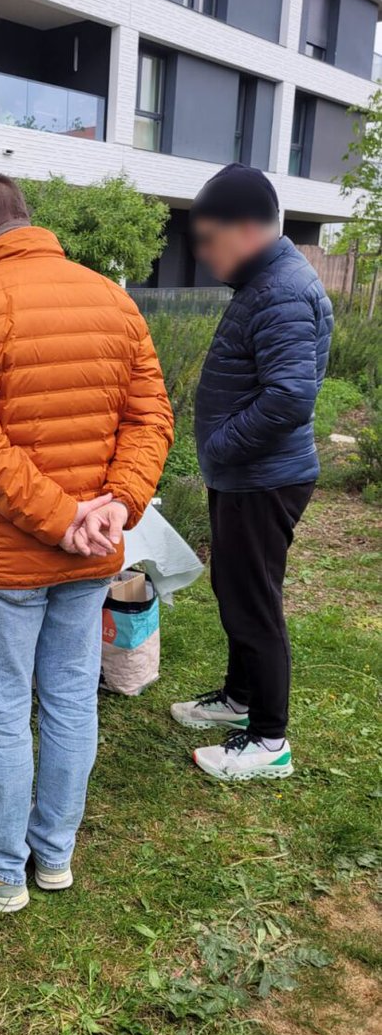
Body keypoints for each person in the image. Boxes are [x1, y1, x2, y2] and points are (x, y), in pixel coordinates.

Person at [0, 172, 173, 913]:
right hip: (89, 549)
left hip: (9, 555)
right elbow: (151, 416)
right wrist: (113, 508)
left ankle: (1, 867)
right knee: (70, 701)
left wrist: (67, 516)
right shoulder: (112, 298)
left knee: (3, 710)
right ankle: (53, 856)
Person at [170, 164, 333, 782]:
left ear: (244, 230)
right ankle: (239, 699)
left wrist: (220, 443)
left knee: (254, 604)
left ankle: (269, 742)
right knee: (236, 593)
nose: (206, 257)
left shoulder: (284, 290)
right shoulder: (266, 283)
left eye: (209, 243)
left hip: (263, 477)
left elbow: (290, 398)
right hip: (248, 475)